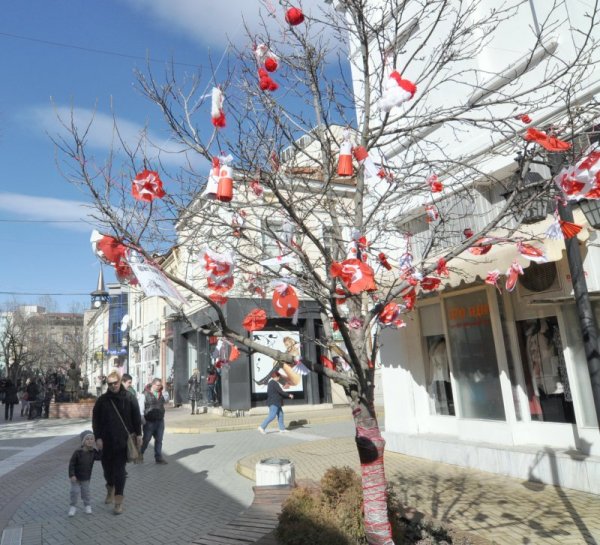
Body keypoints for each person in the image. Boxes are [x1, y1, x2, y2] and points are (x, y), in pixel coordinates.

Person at [92, 371, 142, 515]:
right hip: (106, 442)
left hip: (123, 442)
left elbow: (136, 417)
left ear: (120, 382)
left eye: (115, 383)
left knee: (120, 472)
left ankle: (118, 502)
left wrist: (139, 434)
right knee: (107, 471)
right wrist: (98, 437)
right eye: (110, 383)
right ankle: (110, 488)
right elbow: (96, 420)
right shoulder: (102, 400)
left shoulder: (129, 397)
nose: (113, 386)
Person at [67, 430, 101, 516]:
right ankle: (73, 507)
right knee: (75, 492)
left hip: (86, 477)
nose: (90, 441)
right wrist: (72, 475)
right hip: (76, 477)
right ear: (83, 441)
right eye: (87, 439)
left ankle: (87, 506)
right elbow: (71, 464)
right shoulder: (78, 452)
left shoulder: (93, 452)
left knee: (86, 492)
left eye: (92, 439)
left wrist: (100, 448)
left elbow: (100, 457)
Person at [140, 378, 169, 464]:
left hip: (160, 420)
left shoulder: (162, 393)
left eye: (160, 385)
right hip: (149, 421)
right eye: (157, 385)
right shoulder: (144, 394)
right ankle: (140, 453)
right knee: (146, 439)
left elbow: (165, 402)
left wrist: (166, 395)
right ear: (152, 385)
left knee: (159, 440)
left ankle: (158, 457)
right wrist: (142, 419)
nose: (159, 387)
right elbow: (141, 407)